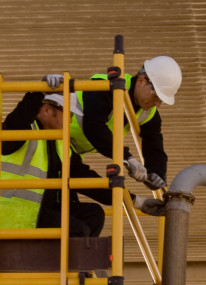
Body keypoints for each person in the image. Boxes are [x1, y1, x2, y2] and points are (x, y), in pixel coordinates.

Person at [0, 91, 165, 237]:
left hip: (35, 214)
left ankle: (74, 269)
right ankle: (65, 272)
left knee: (93, 215)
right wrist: (38, 92)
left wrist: (135, 201)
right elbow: (16, 119)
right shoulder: (18, 134)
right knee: (77, 230)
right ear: (47, 109)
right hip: (10, 218)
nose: (71, 120)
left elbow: (87, 181)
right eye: (67, 114)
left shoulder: (60, 144)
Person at [44, 55, 182, 191]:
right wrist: (127, 157)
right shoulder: (105, 85)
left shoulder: (148, 113)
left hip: (68, 154)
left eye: (162, 101)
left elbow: (154, 147)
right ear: (141, 81)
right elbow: (94, 127)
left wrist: (156, 175)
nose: (158, 104)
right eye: (157, 96)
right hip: (48, 139)